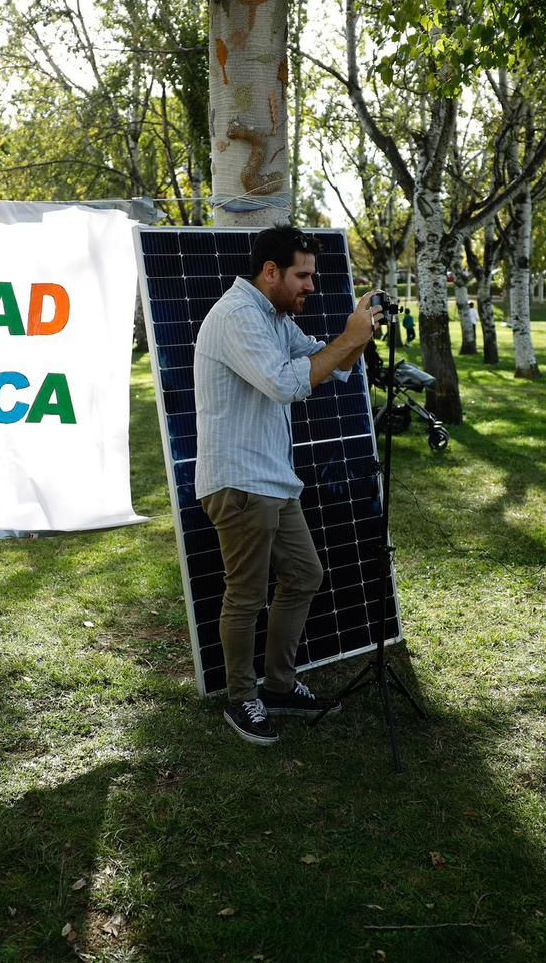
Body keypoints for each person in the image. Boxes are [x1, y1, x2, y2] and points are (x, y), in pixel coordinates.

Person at [193, 225, 380, 745]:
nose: (311, 286)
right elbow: (284, 382)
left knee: (304, 575)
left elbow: (328, 363)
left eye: (313, 276)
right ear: (270, 272)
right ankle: (241, 698)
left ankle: (278, 685)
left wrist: (356, 334)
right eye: (303, 275)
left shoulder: (274, 317)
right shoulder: (238, 317)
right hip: (239, 482)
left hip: (273, 478)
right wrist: (347, 340)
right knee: (247, 596)